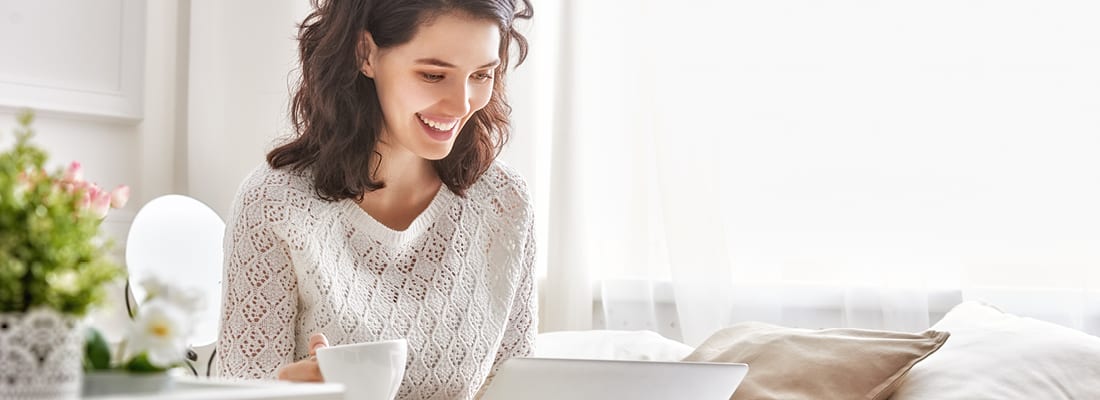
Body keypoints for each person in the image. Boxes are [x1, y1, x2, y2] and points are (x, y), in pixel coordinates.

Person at [214, 0, 536, 398]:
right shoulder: (276, 203)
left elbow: (518, 386)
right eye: (434, 75)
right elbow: (239, 387)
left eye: (482, 74)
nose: (462, 103)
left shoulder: (504, 202)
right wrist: (286, 391)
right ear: (366, 54)